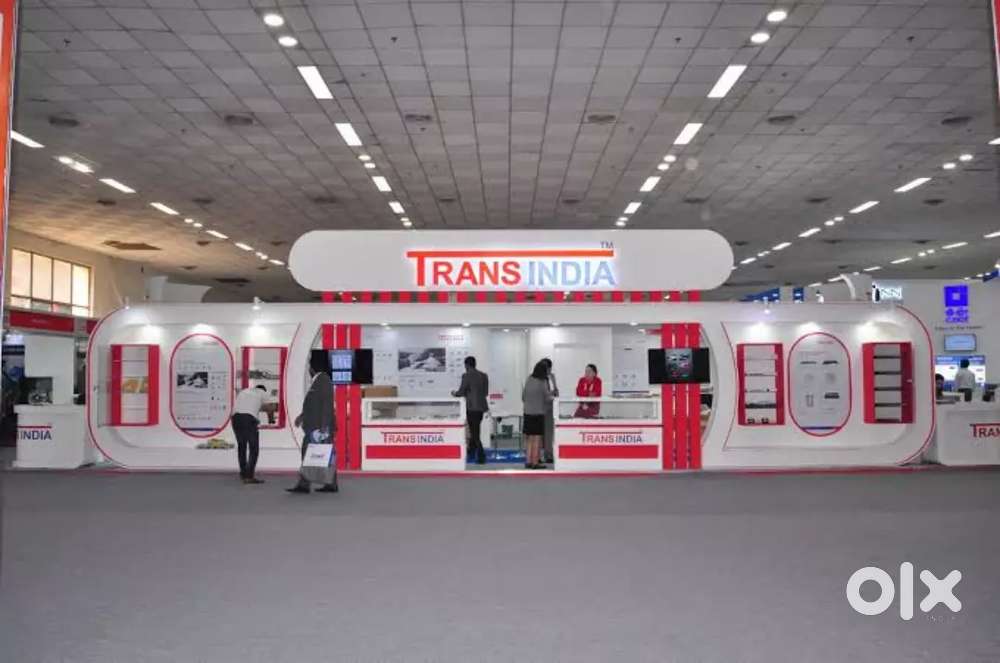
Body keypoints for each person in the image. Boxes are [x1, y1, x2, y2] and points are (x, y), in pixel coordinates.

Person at [287, 351, 339, 494]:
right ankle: (330, 484)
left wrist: (324, 427)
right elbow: (314, 405)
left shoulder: (323, 380)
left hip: (318, 428)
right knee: (323, 455)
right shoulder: (318, 381)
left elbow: (327, 405)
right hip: (316, 426)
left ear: (312, 368)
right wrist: (302, 416)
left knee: (311, 453)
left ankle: (305, 485)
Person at [452, 356, 489, 465]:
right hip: (481, 408)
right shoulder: (484, 376)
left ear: (466, 365)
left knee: (475, 433)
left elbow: (461, 392)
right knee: (475, 430)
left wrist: (454, 393)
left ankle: (481, 456)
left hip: (472, 408)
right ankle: (471, 452)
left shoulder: (466, 375)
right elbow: (486, 393)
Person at [232, 384, 268, 484]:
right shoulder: (262, 392)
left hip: (235, 419)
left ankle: (243, 473)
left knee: (242, 446)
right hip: (248, 419)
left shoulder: (244, 391)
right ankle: (249, 477)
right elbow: (270, 407)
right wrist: (271, 418)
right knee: (253, 448)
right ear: (263, 389)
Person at [523, 361, 554, 469]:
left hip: (527, 413)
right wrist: (553, 396)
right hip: (538, 413)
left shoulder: (529, 379)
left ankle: (528, 461)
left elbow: (523, 396)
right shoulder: (542, 382)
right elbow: (547, 397)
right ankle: (535, 462)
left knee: (529, 438)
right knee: (537, 438)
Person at [540, 358, 559, 464]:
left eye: (547, 368)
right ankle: (538, 455)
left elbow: (555, 390)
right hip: (539, 408)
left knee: (548, 433)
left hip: (550, 408)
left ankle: (549, 455)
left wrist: (555, 392)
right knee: (539, 434)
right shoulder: (538, 378)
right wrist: (550, 393)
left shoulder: (552, 377)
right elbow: (542, 393)